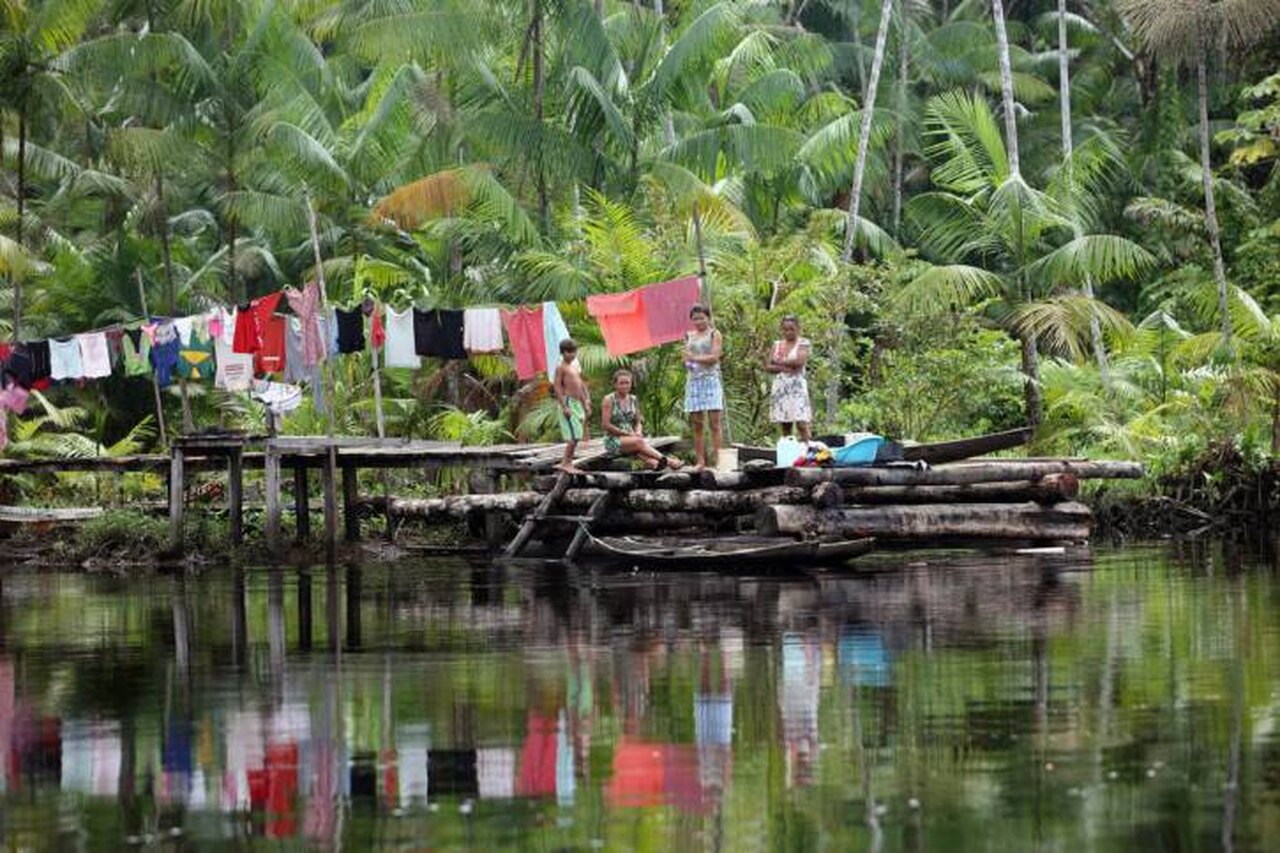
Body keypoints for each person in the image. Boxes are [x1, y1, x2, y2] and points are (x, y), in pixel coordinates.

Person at [601, 369, 684, 470]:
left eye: (627, 383)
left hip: (632, 437)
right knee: (638, 443)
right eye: (621, 383)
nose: (625, 386)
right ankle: (668, 461)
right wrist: (628, 435)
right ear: (615, 384)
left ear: (631, 384)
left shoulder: (633, 399)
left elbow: (638, 420)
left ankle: (654, 464)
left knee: (643, 450)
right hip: (614, 439)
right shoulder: (609, 399)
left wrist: (638, 431)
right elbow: (606, 425)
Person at [682, 304, 724, 470]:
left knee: (715, 423)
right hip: (694, 381)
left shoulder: (714, 333)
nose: (698, 321)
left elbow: (715, 357)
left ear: (708, 318)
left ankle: (719, 460)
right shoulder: (688, 335)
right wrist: (690, 364)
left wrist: (694, 358)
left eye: (701, 317)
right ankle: (700, 461)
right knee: (697, 423)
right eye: (695, 318)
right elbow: (686, 360)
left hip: (711, 379)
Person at [765, 315, 812, 441]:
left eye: (791, 329)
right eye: (785, 329)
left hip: (797, 387)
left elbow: (799, 362)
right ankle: (789, 454)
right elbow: (768, 366)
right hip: (781, 387)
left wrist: (778, 361)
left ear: (798, 328)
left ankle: (810, 450)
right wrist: (784, 367)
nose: (788, 332)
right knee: (785, 424)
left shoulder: (803, 343)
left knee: (802, 422)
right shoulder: (777, 345)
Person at [553, 338, 591, 474]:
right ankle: (565, 463)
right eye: (569, 352)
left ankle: (568, 462)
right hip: (568, 402)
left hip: (576, 403)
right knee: (574, 435)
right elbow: (557, 387)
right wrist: (564, 406)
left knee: (578, 435)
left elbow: (579, 388)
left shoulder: (574, 368)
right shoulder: (560, 367)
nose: (572, 355)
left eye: (574, 352)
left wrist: (585, 402)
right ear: (563, 353)